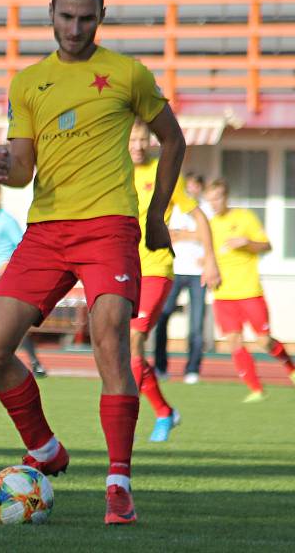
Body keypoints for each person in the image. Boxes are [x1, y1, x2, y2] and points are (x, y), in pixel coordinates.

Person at [0, 0, 187, 525]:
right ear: (50, 12)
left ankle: (118, 485)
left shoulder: (127, 74)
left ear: (102, 15)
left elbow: (173, 138)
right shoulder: (27, 83)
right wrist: (4, 169)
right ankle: (45, 450)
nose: (75, 28)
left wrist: (157, 215)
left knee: (110, 337)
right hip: (46, 231)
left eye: (86, 18)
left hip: (110, 227)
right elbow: (23, 170)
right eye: (66, 17)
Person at [128, 122, 220, 441]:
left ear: (150, 143)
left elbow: (200, 217)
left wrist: (210, 259)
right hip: (124, 270)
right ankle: (165, 413)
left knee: (133, 338)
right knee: (122, 351)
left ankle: (152, 413)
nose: (137, 145)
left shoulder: (164, 172)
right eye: (132, 140)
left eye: (142, 139)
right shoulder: (113, 173)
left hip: (156, 267)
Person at [204, 178, 295, 402]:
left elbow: (267, 246)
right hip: (223, 294)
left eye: (218, 197)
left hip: (249, 291)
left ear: (226, 197)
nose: (214, 203)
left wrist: (247, 243)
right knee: (233, 341)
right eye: (210, 199)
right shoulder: (209, 225)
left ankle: (294, 371)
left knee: (264, 341)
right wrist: (205, 266)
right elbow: (208, 253)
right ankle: (256, 389)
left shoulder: (244, 218)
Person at [0, 180, 47, 377]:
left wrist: (7, 262)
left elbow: (21, 244)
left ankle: (34, 361)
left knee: (9, 322)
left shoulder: (6, 221)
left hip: (1, 276)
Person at [153, 173, 211, 384]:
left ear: (201, 188)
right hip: (175, 269)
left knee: (196, 323)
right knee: (162, 317)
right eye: (190, 186)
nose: (192, 189)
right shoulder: (175, 207)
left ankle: (192, 370)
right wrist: (193, 234)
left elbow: (210, 234)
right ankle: (160, 367)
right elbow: (167, 233)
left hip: (198, 273)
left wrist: (183, 234)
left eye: (197, 186)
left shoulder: (205, 209)